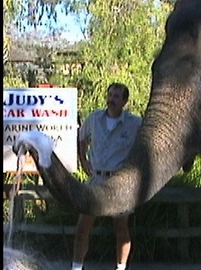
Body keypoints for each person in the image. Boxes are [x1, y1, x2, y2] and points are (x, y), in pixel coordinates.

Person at [71, 82, 142, 270]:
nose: (112, 99)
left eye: (117, 96)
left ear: (125, 101)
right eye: (110, 95)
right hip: (96, 180)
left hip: (119, 182)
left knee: (121, 229)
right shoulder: (94, 119)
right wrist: (84, 161)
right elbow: (81, 138)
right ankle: (76, 268)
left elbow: (145, 146)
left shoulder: (135, 124)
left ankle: (120, 268)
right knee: (82, 227)